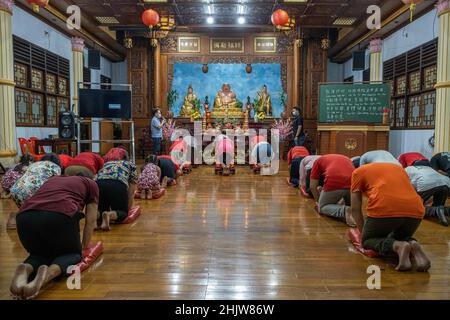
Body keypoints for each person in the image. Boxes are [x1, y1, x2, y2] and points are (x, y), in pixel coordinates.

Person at [10, 175, 99, 300]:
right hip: (60, 214)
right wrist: (82, 248)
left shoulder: (53, 179)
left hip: (25, 217)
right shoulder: (91, 184)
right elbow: (91, 220)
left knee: (39, 255)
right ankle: (46, 275)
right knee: (72, 255)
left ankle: (26, 268)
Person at [351, 163, 430, 272]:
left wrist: (363, 235)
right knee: (400, 236)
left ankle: (399, 246)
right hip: (416, 208)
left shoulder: (357, 172)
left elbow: (355, 209)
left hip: (385, 206)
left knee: (368, 240)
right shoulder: (399, 168)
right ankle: (414, 245)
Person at [8, 153, 63, 229]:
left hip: (15, 191)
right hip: (30, 193)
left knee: (28, 209)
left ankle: (21, 218)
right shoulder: (56, 167)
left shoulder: (35, 164)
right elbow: (56, 184)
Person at [95, 150, 138, 231]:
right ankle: (109, 215)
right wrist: (127, 209)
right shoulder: (130, 164)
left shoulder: (106, 164)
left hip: (98, 184)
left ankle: (97, 216)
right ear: (126, 158)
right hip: (117, 183)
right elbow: (131, 191)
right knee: (122, 213)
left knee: (101, 209)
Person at [310, 154, 355, 226]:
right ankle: (350, 210)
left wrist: (318, 203)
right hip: (353, 181)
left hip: (335, 179)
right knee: (347, 198)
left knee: (322, 207)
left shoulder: (317, 161)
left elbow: (312, 186)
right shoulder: (345, 157)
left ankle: (343, 211)